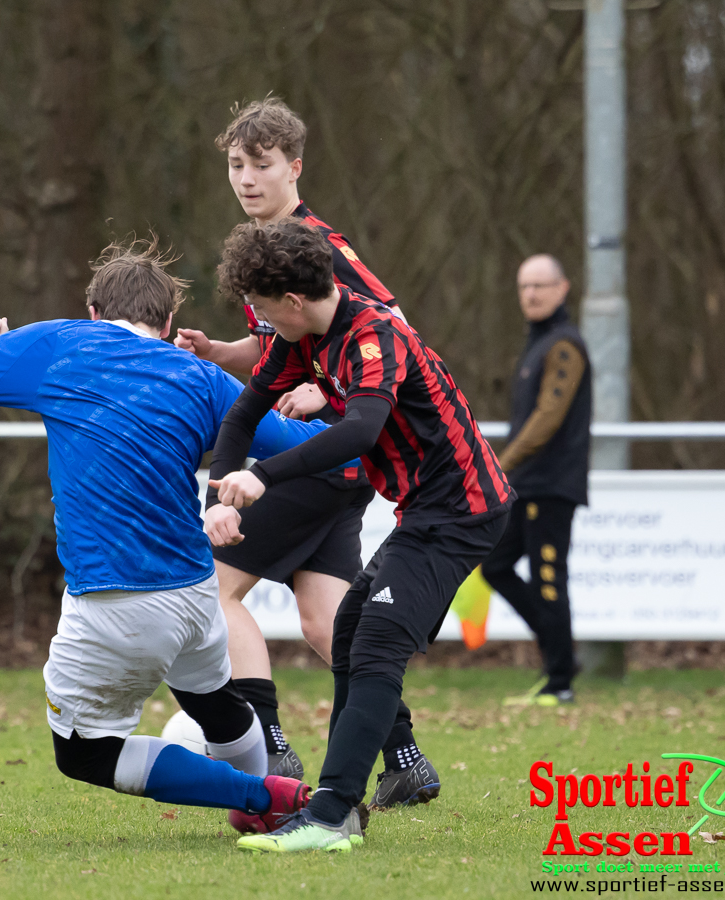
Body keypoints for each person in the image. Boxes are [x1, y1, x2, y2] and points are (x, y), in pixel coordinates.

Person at [0, 241, 333, 835]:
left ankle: (265, 795)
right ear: (167, 325)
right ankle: (258, 811)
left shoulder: (62, 343)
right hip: (196, 593)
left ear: (93, 312)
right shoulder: (203, 376)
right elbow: (302, 449)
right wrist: (331, 405)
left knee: (83, 752)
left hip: (114, 600)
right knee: (215, 707)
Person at [205, 220, 512, 853]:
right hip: (424, 510)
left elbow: (359, 431)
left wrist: (262, 476)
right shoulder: (305, 338)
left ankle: (331, 813)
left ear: (292, 302)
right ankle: (339, 805)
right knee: (346, 631)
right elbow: (243, 412)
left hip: (462, 510)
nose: (260, 324)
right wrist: (219, 497)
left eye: (263, 311)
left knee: (372, 646)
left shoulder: (374, 334)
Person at [174, 97, 437, 812]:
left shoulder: (318, 243)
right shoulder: (265, 248)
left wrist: (333, 390)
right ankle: (405, 759)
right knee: (329, 623)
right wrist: (222, 352)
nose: (247, 179)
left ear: (295, 168)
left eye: (262, 165)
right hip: (335, 467)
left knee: (213, 588)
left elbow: (393, 329)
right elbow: (278, 352)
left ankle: (268, 741)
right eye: (236, 164)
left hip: (324, 455)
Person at [481, 254, 590, 706]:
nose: (531, 294)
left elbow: (549, 417)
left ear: (562, 289)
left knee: (548, 579)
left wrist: (501, 464)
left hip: (550, 485)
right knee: (495, 565)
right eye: (525, 286)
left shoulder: (565, 345)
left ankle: (560, 680)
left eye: (540, 286)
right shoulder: (536, 346)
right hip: (527, 484)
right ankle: (560, 651)